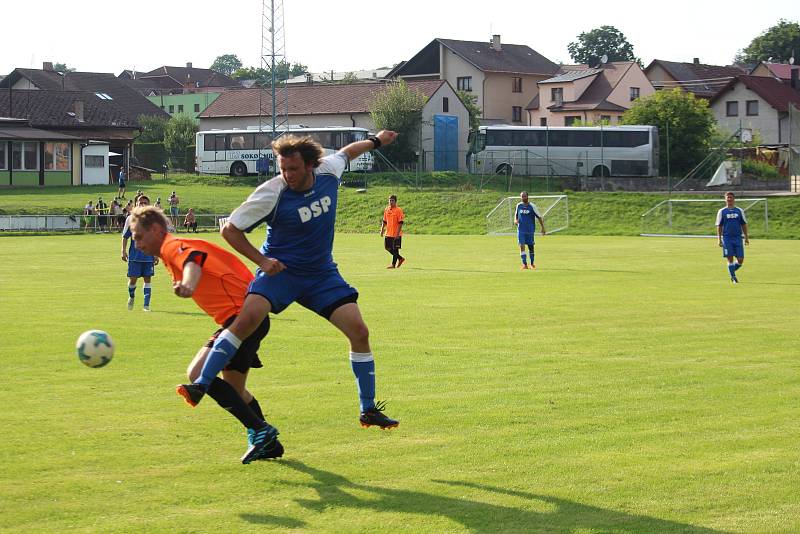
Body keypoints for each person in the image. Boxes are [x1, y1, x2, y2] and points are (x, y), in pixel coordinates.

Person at [179, 130, 401, 431]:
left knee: (359, 332)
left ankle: (368, 410)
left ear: (311, 165)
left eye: (293, 169)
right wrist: (262, 261)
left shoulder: (328, 171)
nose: (287, 175)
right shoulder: (272, 191)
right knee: (247, 319)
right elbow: (229, 230)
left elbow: (348, 152)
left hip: (321, 274)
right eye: (282, 168)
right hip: (281, 272)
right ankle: (201, 384)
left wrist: (376, 141)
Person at [129, 206, 282, 464]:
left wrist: (188, 284)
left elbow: (194, 260)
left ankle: (261, 431)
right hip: (245, 315)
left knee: (198, 373)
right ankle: (267, 442)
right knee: (234, 390)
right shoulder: (173, 248)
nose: (137, 243)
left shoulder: (171, 245)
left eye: (139, 236)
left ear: (155, 229)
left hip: (241, 317)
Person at [121, 195, 157, 311]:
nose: (142, 204)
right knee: (133, 280)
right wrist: (123, 251)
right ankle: (131, 296)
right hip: (134, 256)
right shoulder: (130, 219)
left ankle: (146, 306)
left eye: (145, 202)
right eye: (140, 202)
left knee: (148, 279)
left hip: (148, 256)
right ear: (136, 204)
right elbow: (125, 236)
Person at [716, 191, 749, 283]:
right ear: (725, 199)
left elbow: (744, 224)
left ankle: (731, 270)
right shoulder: (722, 211)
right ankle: (733, 277)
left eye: (731, 197)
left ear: (734, 199)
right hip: (727, 239)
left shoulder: (739, 211)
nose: (729, 199)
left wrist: (746, 237)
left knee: (740, 260)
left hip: (738, 238)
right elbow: (719, 226)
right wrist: (719, 239)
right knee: (730, 258)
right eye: (728, 197)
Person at [514, 191, 546, 270]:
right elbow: (516, 216)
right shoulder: (519, 205)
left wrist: (543, 228)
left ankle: (532, 264)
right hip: (521, 230)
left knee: (531, 247)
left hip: (530, 230)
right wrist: (515, 221)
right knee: (522, 246)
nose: (523, 198)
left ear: (527, 197)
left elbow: (539, 217)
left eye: (524, 196)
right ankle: (525, 264)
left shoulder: (532, 206)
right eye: (522, 196)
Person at [380, 194, 405, 269]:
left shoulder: (398, 210)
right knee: (387, 247)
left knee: (395, 249)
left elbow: (400, 223)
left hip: (396, 233)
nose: (391, 202)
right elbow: (384, 221)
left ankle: (393, 265)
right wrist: (382, 229)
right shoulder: (387, 209)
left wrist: (397, 234)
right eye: (390, 200)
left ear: (395, 202)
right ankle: (400, 258)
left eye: (392, 201)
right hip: (388, 233)